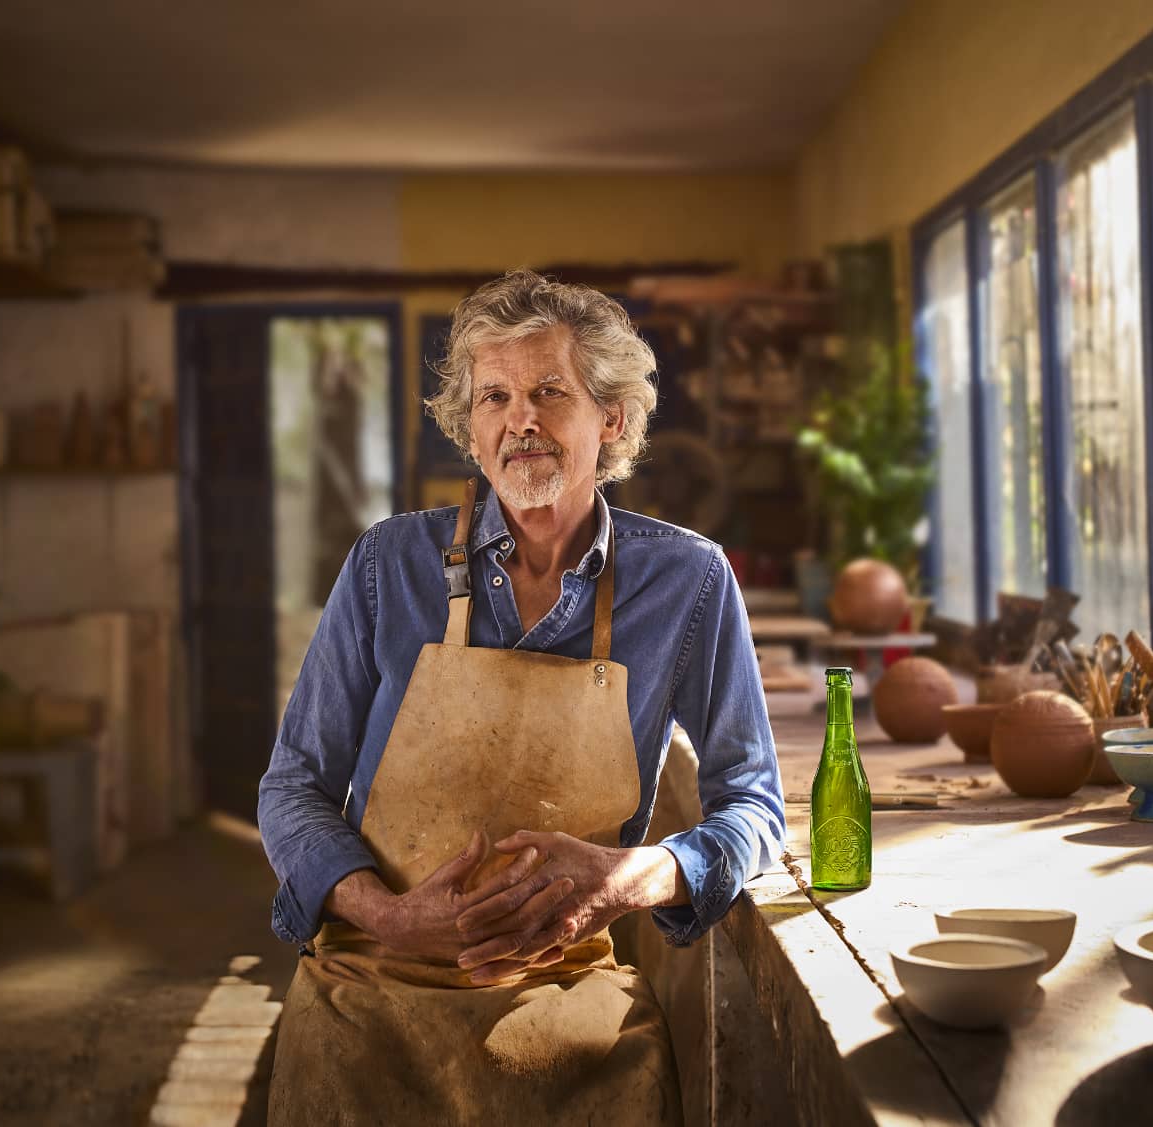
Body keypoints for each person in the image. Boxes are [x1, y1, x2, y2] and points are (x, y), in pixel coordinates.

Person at [258, 269, 785, 1125]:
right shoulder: (388, 565)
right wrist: (390, 915)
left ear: (610, 418)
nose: (521, 421)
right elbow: (291, 788)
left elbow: (755, 808)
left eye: (550, 391)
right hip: (374, 975)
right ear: (471, 427)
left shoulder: (688, 580)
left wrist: (625, 880)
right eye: (494, 396)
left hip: (563, 981)